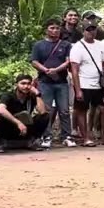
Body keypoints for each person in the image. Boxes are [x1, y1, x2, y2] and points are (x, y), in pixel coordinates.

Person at [69, 21, 104, 148]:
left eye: (93, 29)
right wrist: (78, 89)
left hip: (100, 83)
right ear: (83, 31)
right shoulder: (77, 47)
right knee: (82, 110)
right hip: (84, 83)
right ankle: (86, 138)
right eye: (88, 29)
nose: (91, 32)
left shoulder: (101, 45)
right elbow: (74, 70)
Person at [29, 18, 73, 149]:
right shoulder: (39, 45)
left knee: (64, 110)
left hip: (62, 82)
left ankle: (66, 136)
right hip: (45, 82)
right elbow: (34, 61)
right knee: (46, 110)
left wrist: (56, 70)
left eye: (57, 28)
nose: (55, 30)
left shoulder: (65, 45)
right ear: (46, 30)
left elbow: (68, 61)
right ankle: (46, 136)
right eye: (52, 28)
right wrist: (46, 70)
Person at [0, 74, 50, 151]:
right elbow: (1, 110)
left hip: (26, 128)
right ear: (16, 84)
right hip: (11, 127)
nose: (26, 86)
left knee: (45, 116)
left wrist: (37, 94)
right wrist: (18, 123)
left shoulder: (31, 97)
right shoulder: (8, 95)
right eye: (23, 83)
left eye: (28, 84)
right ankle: (2, 143)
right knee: (0, 118)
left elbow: (42, 111)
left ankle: (32, 141)